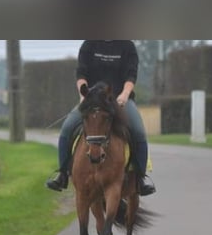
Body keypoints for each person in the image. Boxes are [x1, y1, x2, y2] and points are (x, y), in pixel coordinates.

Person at [46, 40, 156, 196]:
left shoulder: (127, 46)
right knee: (67, 128)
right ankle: (62, 174)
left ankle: (140, 179)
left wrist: (124, 95)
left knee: (138, 132)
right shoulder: (89, 44)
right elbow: (81, 73)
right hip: (93, 101)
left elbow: (131, 75)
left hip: (119, 100)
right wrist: (83, 95)